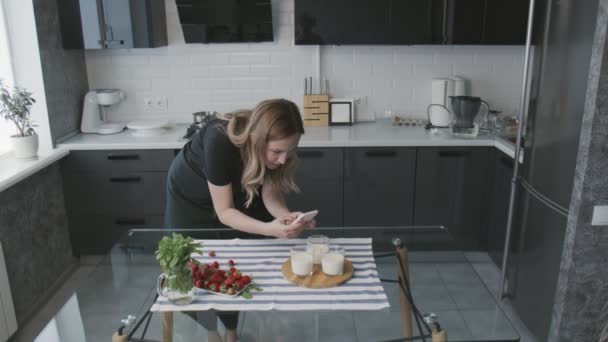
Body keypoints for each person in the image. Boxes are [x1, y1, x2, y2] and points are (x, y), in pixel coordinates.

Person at [165, 98, 316, 342]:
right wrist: (269, 229)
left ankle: (231, 330)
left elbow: (270, 192)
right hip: (190, 197)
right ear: (257, 140)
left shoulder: (273, 154)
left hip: (237, 184)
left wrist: (284, 217)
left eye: (290, 151)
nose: (283, 160)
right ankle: (211, 330)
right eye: (277, 152)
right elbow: (225, 212)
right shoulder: (219, 140)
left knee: (236, 260)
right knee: (189, 268)